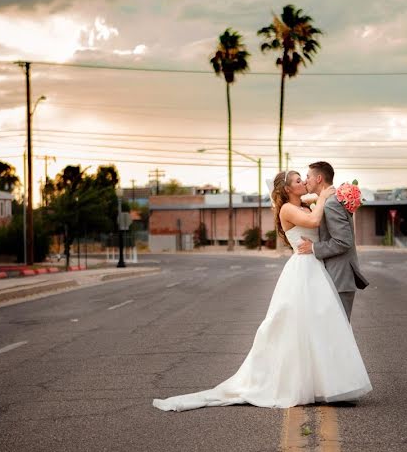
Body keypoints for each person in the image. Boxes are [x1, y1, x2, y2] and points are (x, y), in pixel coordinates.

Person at [152, 170, 372, 412]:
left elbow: (320, 218)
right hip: (302, 270)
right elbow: (313, 223)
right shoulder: (287, 209)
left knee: (317, 328)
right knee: (293, 327)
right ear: (288, 189)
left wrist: (331, 200)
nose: (303, 182)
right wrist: (322, 198)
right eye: (299, 180)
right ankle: (291, 382)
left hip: (317, 270)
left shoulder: (303, 204)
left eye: (304, 178)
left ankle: (324, 384)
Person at [297, 161, 369, 320]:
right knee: (335, 333)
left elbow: (344, 241)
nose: (305, 180)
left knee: (340, 332)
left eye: (308, 176)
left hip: (340, 278)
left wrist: (314, 247)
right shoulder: (330, 201)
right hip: (334, 277)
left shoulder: (331, 204)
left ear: (319, 178)